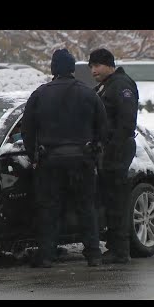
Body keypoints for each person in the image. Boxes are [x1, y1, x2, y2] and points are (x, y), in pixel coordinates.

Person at [21, 48, 108, 268]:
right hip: (83, 160)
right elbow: (103, 128)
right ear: (72, 69)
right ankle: (94, 254)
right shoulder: (89, 94)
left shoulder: (40, 94)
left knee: (49, 209)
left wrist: (34, 156)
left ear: (53, 69)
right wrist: (95, 151)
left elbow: (27, 130)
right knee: (86, 208)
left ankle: (47, 255)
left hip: (49, 161)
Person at [88, 48, 139, 264]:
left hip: (117, 150)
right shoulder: (105, 86)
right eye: (91, 66)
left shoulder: (121, 85)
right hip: (108, 150)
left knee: (117, 199)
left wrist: (113, 147)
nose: (93, 71)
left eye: (97, 66)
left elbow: (126, 121)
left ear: (109, 64)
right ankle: (115, 245)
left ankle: (120, 250)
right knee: (109, 198)